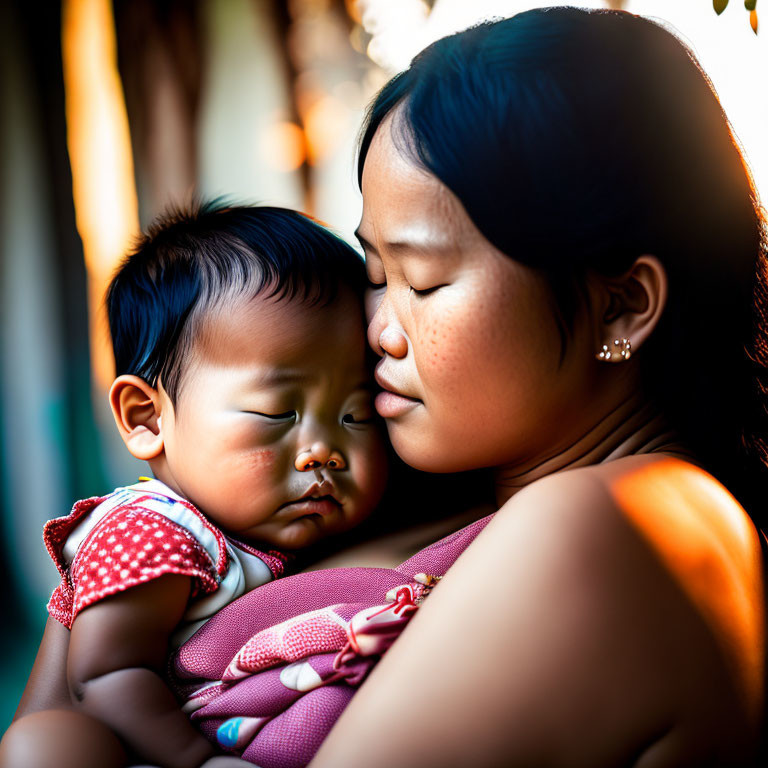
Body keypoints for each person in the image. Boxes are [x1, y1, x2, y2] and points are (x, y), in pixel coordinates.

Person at [304, 7, 768, 766]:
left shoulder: (604, 524)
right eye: (375, 276)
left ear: (621, 305)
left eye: (421, 282)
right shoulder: (565, 496)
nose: (380, 329)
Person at [0, 203, 388, 768]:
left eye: (357, 416)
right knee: (49, 747)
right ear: (148, 419)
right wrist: (197, 761)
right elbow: (105, 675)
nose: (323, 449)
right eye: (277, 413)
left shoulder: (267, 527)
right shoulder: (151, 528)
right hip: (110, 735)